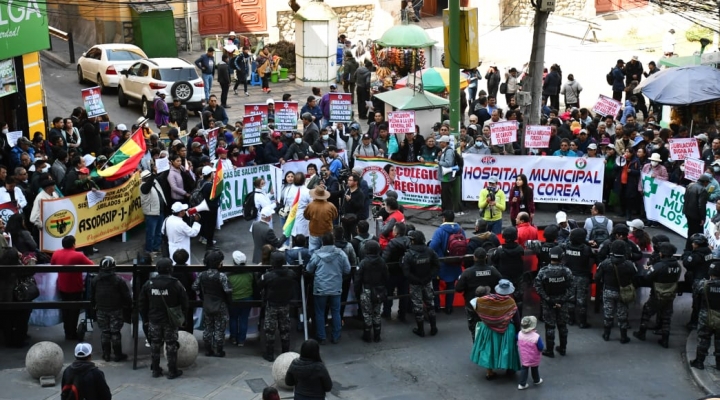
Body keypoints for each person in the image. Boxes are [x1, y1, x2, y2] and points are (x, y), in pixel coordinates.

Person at [139, 258, 189, 379]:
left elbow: (142, 303)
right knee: (171, 345)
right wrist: (182, 317)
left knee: (155, 344)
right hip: (170, 321)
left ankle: (155, 370)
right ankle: (172, 371)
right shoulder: (176, 284)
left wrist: (145, 318)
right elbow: (185, 302)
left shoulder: (149, 284)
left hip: (154, 319)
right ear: (170, 269)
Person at [633, 242, 681, 348]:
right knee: (666, 317)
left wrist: (647, 270)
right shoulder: (677, 265)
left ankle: (641, 333)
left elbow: (647, 277)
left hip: (657, 294)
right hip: (670, 294)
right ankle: (665, 339)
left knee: (647, 311)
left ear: (662, 253)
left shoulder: (660, 265)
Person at [470, 282, 521, 380]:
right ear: (510, 291)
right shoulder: (511, 302)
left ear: (497, 290)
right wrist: (517, 331)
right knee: (508, 348)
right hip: (506, 329)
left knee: (489, 348)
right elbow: (517, 320)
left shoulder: (484, 300)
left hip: (488, 328)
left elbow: (474, 303)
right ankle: (509, 368)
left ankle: (489, 372)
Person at [306, 232, 351, 344]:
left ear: (322, 242)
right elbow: (347, 269)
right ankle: (336, 335)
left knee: (320, 312)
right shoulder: (341, 254)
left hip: (320, 288)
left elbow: (309, 269)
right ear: (333, 241)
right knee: (336, 312)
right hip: (336, 287)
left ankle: (321, 336)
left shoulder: (316, 255)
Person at [52, 235, 95, 340]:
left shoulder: (56, 253)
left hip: (62, 286)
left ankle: (67, 332)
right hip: (75, 287)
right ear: (73, 244)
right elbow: (92, 265)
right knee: (74, 311)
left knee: (65, 310)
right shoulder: (78, 255)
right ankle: (72, 332)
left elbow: (52, 263)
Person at [534, 247, 574, 358]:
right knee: (562, 326)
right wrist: (563, 300)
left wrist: (548, 300)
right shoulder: (566, 271)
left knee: (550, 326)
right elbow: (572, 287)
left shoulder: (543, 271)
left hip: (548, 303)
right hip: (563, 302)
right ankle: (563, 349)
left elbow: (538, 287)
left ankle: (549, 350)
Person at [455, 248, 502, 342]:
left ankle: (477, 350)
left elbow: (458, 289)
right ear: (486, 257)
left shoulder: (467, 272)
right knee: (490, 328)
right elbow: (501, 283)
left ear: (474, 258)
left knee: (474, 330)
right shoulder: (493, 270)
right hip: (489, 304)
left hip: (472, 305)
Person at [91, 256, 131, 362]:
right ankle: (118, 355)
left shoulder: (95, 280)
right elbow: (126, 296)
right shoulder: (119, 280)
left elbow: (91, 296)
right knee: (115, 332)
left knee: (105, 332)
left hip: (101, 309)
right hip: (116, 309)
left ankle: (106, 354)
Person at [595, 241, 637, 343]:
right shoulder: (629, 264)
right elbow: (635, 278)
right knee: (622, 314)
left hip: (608, 290)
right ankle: (623, 337)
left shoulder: (605, 263)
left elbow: (597, 277)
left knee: (608, 313)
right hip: (623, 292)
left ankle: (606, 334)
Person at [193, 250, 232, 358]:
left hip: (207, 303)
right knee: (219, 328)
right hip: (220, 304)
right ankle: (218, 351)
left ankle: (208, 350)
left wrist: (202, 296)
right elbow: (228, 290)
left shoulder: (202, 275)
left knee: (208, 327)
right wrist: (229, 301)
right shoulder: (222, 276)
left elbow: (195, 287)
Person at [259, 250, 297, 361]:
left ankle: (270, 354)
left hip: (272, 304)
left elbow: (259, 285)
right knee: (285, 329)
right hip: (285, 304)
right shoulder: (291, 274)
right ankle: (285, 352)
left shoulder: (268, 276)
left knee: (270, 330)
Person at [402, 230, 439, 337]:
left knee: (418, 306)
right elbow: (436, 265)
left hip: (415, 284)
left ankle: (421, 330)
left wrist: (417, 280)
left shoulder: (408, 255)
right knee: (430, 304)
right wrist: (428, 277)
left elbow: (406, 272)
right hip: (427, 282)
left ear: (413, 241)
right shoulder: (430, 251)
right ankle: (433, 328)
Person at [429, 210, 465, 314]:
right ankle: (449, 307)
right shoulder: (460, 230)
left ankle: (437, 306)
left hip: (441, 262)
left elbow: (433, 247)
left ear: (444, 218)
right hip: (455, 262)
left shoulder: (440, 231)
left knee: (435, 285)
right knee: (451, 285)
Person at [354, 239, 388, 342]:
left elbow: (358, 279)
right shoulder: (382, 261)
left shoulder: (363, 263)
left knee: (367, 313)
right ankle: (377, 335)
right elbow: (386, 276)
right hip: (379, 290)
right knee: (377, 313)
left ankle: (367, 335)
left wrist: (357, 292)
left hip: (367, 290)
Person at [690, 262, 720, 370]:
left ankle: (699, 362)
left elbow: (695, 296)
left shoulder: (703, 284)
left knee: (703, 338)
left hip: (706, 316)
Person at [491, 227, 525, 315]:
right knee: (518, 298)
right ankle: (518, 315)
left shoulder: (499, 250)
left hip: (504, 277)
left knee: (503, 297)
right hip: (518, 276)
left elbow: (493, 259)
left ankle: (504, 315)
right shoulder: (520, 249)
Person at [684, 233, 713, 331]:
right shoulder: (708, 251)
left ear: (697, 244)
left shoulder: (697, 254)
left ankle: (695, 323)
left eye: (693, 243)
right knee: (704, 303)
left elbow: (687, 263)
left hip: (699, 281)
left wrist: (687, 254)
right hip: (707, 279)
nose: (692, 244)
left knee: (697, 304)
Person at [565, 229, 594, 328]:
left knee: (570, 298)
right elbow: (591, 258)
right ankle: (582, 322)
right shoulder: (586, 249)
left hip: (570, 276)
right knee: (581, 300)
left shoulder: (567, 246)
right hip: (582, 277)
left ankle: (570, 319)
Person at [227, 251, 254, 346]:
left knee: (233, 318)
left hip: (234, 299)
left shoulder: (229, 275)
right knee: (244, 319)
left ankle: (233, 337)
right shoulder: (250, 273)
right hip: (247, 298)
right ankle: (242, 340)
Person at [140, 169, 167, 255]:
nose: (150, 179)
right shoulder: (143, 187)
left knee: (158, 233)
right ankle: (149, 250)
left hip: (159, 212)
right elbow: (148, 185)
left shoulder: (155, 183)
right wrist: (153, 175)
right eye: (147, 178)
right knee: (150, 234)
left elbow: (162, 176)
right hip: (151, 214)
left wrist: (166, 168)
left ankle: (156, 248)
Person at [304, 187, 338, 251]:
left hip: (314, 231)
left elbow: (306, 216)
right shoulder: (330, 206)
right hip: (327, 232)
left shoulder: (310, 206)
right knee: (327, 251)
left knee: (313, 250)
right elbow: (335, 216)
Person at [516, 316, 544, 390]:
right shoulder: (536, 336)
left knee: (524, 368)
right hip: (534, 356)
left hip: (524, 356)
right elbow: (541, 347)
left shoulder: (519, 334)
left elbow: (516, 338)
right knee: (534, 368)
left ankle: (522, 384)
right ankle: (536, 380)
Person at [684, 175, 710, 251]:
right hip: (696, 216)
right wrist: (702, 218)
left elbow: (685, 198)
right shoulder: (702, 190)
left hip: (688, 212)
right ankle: (693, 250)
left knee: (690, 232)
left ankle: (688, 248)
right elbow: (701, 205)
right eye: (707, 182)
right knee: (697, 234)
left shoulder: (690, 186)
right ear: (705, 182)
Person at [436, 136, 456, 212]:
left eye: (441, 142)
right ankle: (445, 211)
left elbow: (449, 163)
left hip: (447, 177)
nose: (439, 143)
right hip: (445, 177)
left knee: (446, 196)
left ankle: (448, 212)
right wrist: (439, 157)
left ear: (445, 143)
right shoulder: (445, 151)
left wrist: (438, 162)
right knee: (444, 196)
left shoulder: (449, 151)